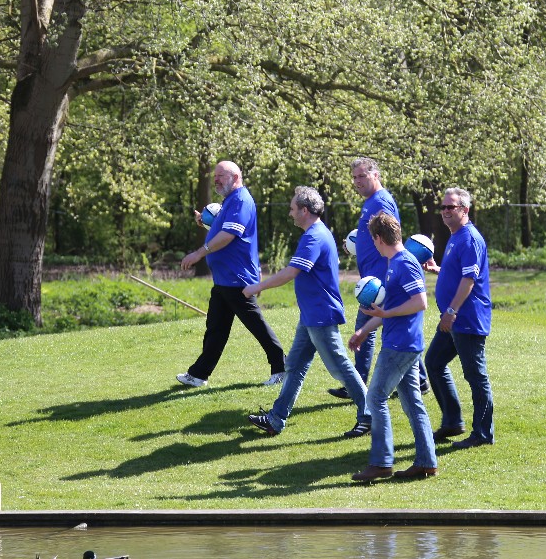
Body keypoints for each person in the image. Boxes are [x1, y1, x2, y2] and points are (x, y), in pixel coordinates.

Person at [243, 187, 372, 438]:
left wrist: (257, 287)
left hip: (320, 315)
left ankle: (369, 416)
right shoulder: (316, 233)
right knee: (295, 365)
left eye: (292, 209)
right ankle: (275, 419)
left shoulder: (314, 236)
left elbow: (291, 272)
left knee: (340, 368)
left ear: (304, 210)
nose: (290, 213)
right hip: (311, 315)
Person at [176, 161, 286, 387]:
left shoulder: (241, 200)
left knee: (256, 326)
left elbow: (229, 236)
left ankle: (283, 368)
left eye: (221, 176)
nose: (216, 180)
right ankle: (198, 374)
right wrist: (206, 223)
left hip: (237, 278)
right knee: (216, 328)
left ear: (235, 177)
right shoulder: (230, 200)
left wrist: (198, 253)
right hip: (225, 278)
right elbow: (223, 228)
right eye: (215, 176)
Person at [329, 157, 429, 399]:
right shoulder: (371, 201)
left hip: (379, 280)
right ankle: (419, 380)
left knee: (368, 327)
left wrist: (389, 274)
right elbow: (373, 234)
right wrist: (356, 244)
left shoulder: (381, 201)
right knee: (379, 326)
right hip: (373, 276)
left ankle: (358, 384)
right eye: (354, 177)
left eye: (362, 176)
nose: (357, 181)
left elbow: (391, 235)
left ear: (376, 175)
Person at [348, 212, 438, 481]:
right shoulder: (394, 262)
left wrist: (386, 314)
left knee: (375, 397)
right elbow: (390, 307)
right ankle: (426, 462)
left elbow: (420, 302)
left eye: (372, 239)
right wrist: (364, 330)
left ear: (378, 238)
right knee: (412, 403)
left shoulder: (404, 263)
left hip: (401, 345)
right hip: (402, 343)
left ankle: (381, 462)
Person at [424, 187, 495, 449]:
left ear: (464, 210)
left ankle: (483, 434)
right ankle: (453, 421)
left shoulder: (469, 239)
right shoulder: (455, 236)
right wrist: (439, 270)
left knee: (476, 377)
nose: (444, 211)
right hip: (454, 320)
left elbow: (469, 280)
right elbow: (459, 272)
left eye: (450, 207)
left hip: (466, 319)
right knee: (434, 362)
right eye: (443, 207)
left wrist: (451, 312)